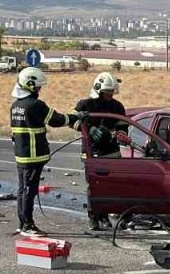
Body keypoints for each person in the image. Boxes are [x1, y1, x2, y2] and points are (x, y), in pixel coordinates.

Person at [10, 67, 82, 236]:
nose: (39, 90)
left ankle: (23, 223)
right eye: (38, 87)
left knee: (23, 189)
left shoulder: (15, 106)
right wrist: (76, 116)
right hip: (33, 156)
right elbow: (57, 120)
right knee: (29, 190)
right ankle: (27, 225)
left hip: (22, 155)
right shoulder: (35, 105)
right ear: (30, 85)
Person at [71, 72, 132, 230]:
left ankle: (107, 216)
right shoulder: (85, 105)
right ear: (98, 90)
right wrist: (89, 129)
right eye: (107, 92)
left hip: (112, 151)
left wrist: (118, 135)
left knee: (111, 186)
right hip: (91, 151)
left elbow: (123, 128)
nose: (110, 95)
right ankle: (95, 218)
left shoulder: (117, 106)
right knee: (94, 186)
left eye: (112, 92)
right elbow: (72, 121)